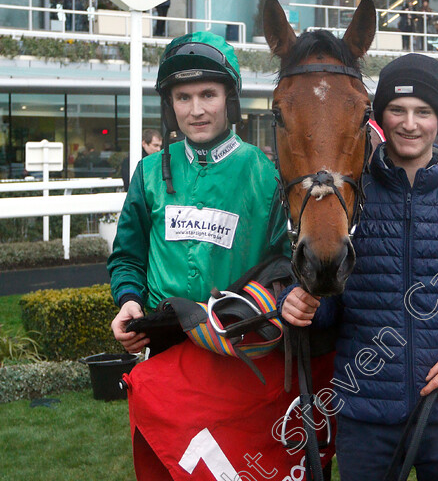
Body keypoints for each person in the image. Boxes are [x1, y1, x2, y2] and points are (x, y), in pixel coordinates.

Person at [281, 53, 438, 481]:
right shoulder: (347, 199)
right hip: (366, 415)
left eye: (423, 111)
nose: (409, 123)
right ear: (379, 118)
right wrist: (299, 302)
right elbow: (328, 301)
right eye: (397, 110)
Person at [107, 32, 333, 479]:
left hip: (239, 356)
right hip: (166, 356)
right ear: (169, 103)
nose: (196, 110)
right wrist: (128, 300)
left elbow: (287, 266)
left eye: (208, 94)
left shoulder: (267, 174)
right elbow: (128, 257)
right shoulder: (149, 172)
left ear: (229, 99)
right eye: (183, 96)